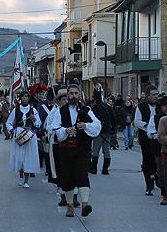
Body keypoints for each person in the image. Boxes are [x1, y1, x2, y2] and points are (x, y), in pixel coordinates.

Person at [50, 84, 101, 217]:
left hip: (82, 148)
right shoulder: (60, 112)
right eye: (71, 93)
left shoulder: (86, 110)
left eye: (76, 93)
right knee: (68, 177)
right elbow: (54, 129)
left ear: (79, 95)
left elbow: (97, 125)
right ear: (67, 95)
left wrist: (86, 125)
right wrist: (65, 130)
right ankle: (70, 205)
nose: (73, 96)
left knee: (82, 174)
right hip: (66, 150)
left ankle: (85, 203)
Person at [6, 91, 42, 188]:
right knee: (20, 157)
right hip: (19, 134)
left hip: (29, 134)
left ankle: (26, 180)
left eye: (26, 96)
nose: (25, 98)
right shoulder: (16, 110)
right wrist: (12, 130)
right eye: (23, 96)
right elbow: (8, 123)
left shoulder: (33, 110)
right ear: (20, 98)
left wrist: (34, 120)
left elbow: (39, 124)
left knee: (28, 157)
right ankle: (20, 174)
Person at [134, 85, 160, 195]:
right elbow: (137, 122)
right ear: (147, 96)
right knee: (147, 161)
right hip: (145, 138)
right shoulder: (141, 107)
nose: (155, 97)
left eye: (156, 94)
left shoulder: (160, 106)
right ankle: (148, 185)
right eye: (153, 95)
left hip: (158, 138)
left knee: (157, 161)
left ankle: (157, 178)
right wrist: (149, 126)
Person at [90, 92, 115, 175]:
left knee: (96, 150)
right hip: (108, 131)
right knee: (106, 150)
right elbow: (113, 118)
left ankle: (94, 169)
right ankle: (105, 169)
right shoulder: (107, 107)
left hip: (99, 131)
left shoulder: (95, 107)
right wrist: (113, 130)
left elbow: (92, 119)